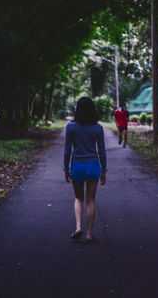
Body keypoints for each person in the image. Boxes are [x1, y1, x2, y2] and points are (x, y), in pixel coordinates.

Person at [63, 97, 107, 242]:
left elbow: (67, 151)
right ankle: (89, 234)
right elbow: (102, 151)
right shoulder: (97, 128)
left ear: (78, 110)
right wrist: (104, 170)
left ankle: (78, 227)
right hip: (93, 165)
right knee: (91, 200)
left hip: (77, 165)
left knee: (78, 198)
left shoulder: (71, 127)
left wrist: (66, 169)